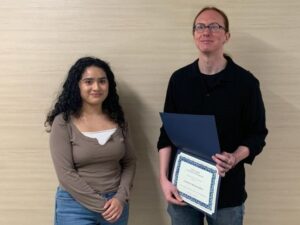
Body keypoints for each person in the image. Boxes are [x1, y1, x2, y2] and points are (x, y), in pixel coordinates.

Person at [157, 6, 268, 225]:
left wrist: (235, 157)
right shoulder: (179, 80)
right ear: (194, 34)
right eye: (200, 27)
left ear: (226, 36)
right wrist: (164, 180)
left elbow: (257, 134)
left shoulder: (246, 83)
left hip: (227, 193)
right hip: (182, 188)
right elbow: (166, 134)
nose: (206, 32)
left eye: (214, 26)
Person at [45, 57, 136, 225]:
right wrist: (102, 206)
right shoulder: (63, 122)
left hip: (116, 206)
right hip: (75, 206)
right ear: (77, 85)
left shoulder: (119, 119)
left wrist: (120, 198)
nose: (96, 87)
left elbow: (129, 161)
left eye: (102, 81)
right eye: (88, 82)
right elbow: (65, 174)